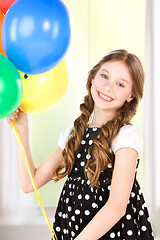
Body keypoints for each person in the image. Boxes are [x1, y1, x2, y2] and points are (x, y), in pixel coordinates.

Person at [7, 49, 154, 240]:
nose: (108, 87)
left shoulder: (126, 136)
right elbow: (29, 183)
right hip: (74, 229)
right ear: (93, 77)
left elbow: (117, 206)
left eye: (120, 84)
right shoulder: (73, 135)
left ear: (131, 96)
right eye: (104, 76)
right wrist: (23, 129)